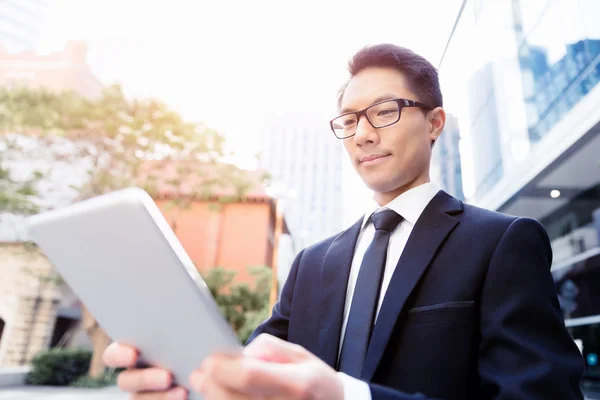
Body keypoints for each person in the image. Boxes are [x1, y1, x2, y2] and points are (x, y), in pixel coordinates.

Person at [103, 44, 585, 399]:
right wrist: (187, 381)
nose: (363, 135)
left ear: (435, 123)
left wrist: (346, 397)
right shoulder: (312, 263)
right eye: (349, 120)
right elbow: (254, 372)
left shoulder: (501, 242)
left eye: (384, 112)